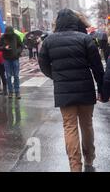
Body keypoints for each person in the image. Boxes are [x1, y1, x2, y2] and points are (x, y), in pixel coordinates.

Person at [39, 9, 106, 172]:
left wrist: (56, 76)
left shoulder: (49, 41)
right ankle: (89, 159)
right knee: (87, 125)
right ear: (75, 22)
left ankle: (75, 166)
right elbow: (97, 67)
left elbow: (43, 65)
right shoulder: (85, 39)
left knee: (70, 126)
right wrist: (102, 89)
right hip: (85, 89)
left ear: (58, 22)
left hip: (64, 91)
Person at [0, 26, 23, 99]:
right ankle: (10, 92)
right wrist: (4, 48)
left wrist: (17, 51)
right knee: (8, 76)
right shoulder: (2, 37)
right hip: (7, 59)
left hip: (15, 58)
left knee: (16, 76)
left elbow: (21, 46)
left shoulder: (16, 36)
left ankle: (17, 91)